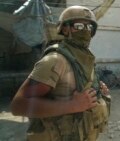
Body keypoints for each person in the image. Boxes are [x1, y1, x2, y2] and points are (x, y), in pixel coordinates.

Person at [10, 6, 111, 141]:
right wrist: (72, 105)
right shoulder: (56, 60)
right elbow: (18, 105)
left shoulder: (85, 58)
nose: (85, 31)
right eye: (79, 26)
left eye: (89, 27)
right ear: (65, 29)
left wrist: (99, 92)